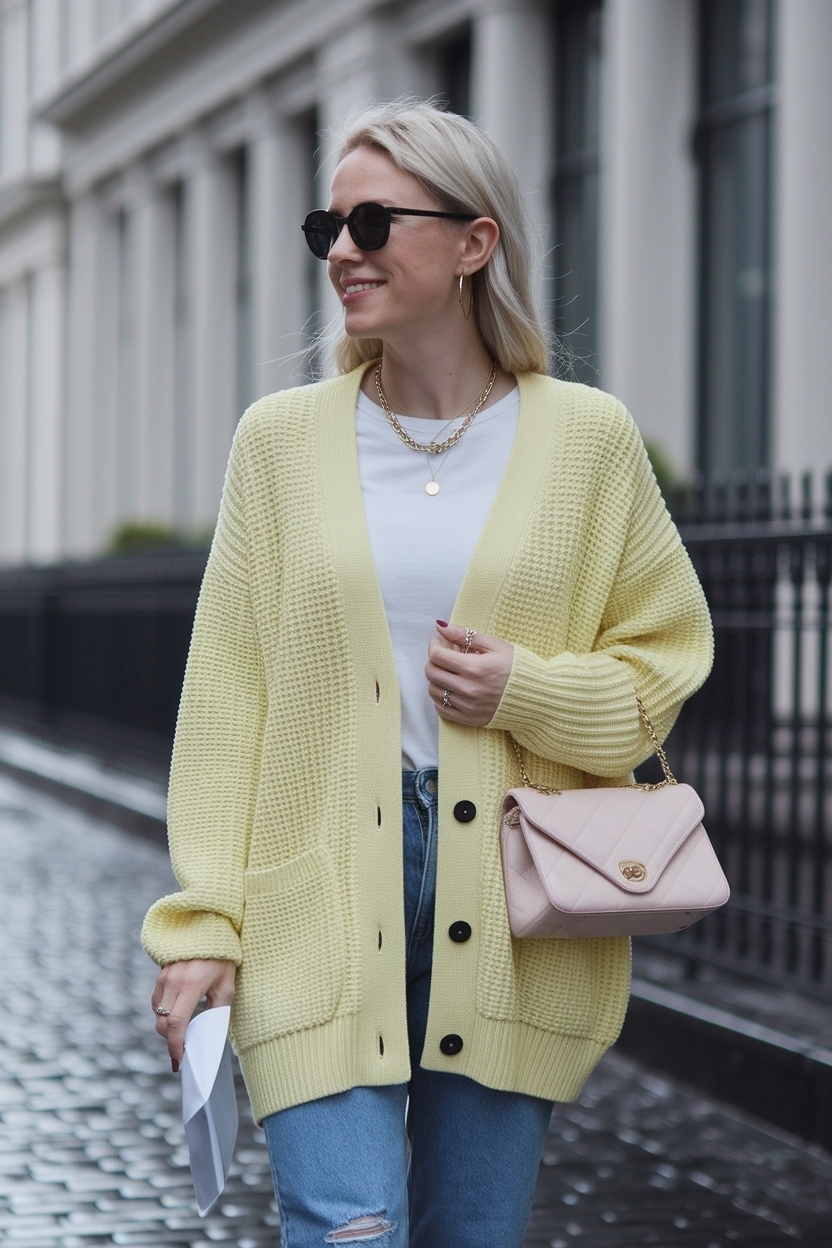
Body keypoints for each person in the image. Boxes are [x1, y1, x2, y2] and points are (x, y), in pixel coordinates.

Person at [142, 99, 712, 1248]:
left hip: (510, 903)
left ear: (473, 241)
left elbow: (664, 667)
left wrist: (526, 691)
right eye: (328, 228)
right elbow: (227, 701)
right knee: (345, 1227)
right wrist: (201, 922)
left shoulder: (588, 441)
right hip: (316, 898)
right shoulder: (278, 443)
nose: (342, 253)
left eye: (370, 222)